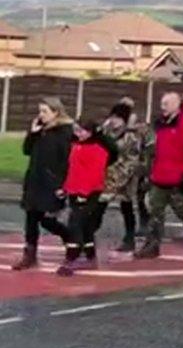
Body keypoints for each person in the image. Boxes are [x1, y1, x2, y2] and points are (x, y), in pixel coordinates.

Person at [135, 92, 183, 259]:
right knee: (155, 212)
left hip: (178, 176)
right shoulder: (160, 125)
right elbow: (153, 151)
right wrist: (149, 172)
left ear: (176, 105)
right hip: (159, 176)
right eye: (162, 103)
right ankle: (152, 244)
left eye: (166, 103)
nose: (163, 107)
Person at [11, 97, 74, 270]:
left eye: (45, 111)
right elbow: (27, 150)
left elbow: (67, 160)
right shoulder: (40, 130)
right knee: (31, 218)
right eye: (40, 111)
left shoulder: (65, 133)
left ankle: (72, 240)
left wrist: (63, 184)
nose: (41, 115)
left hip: (52, 182)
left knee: (48, 220)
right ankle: (29, 254)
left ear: (56, 113)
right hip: (35, 180)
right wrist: (33, 133)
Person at [56, 120, 118, 276]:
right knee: (85, 224)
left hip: (88, 192)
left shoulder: (97, 149)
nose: (78, 134)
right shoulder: (77, 146)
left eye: (82, 131)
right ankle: (90, 254)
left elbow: (95, 174)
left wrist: (84, 192)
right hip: (76, 191)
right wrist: (65, 188)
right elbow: (73, 171)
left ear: (91, 132)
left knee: (75, 222)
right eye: (77, 130)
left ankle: (72, 257)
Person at [102, 100, 146, 252]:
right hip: (106, 176)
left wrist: (119, 177)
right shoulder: (106, 133)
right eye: (113, 117)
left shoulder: (131, 137)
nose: (114, 121)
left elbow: (132, 160)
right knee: (98, 205)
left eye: (118, 118)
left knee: (126, 207)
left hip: (124, 178)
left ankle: (129, 238)